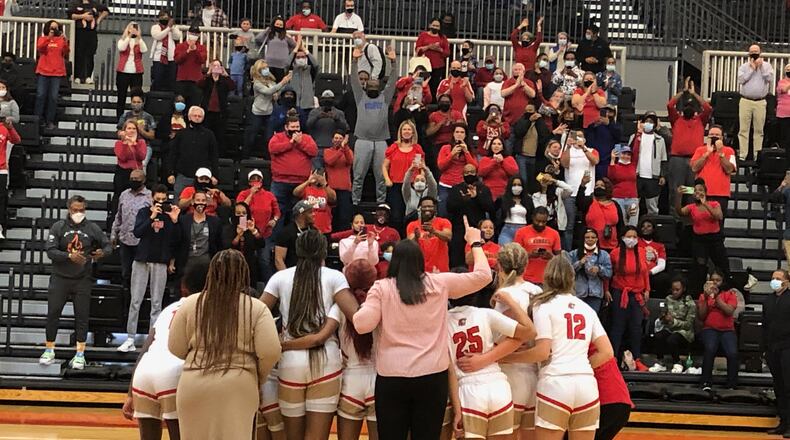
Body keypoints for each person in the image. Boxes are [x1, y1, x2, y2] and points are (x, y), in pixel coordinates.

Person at [353, 217, 493, 440]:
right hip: (432, 379)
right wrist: (475, 242)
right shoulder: (439, 282)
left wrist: (365, 301)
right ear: (420, 261)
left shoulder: (382, 288)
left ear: (394, 262)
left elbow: (362, 325)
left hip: (392, 379)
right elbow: (484, 276)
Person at [168, 249, 280, 440]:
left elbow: (175, 346)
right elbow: (271, 351)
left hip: (194, 383)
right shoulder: (256, 307)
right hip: (239, 383)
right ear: (244, 275)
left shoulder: (191, 303)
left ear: (211, 273)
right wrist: (258, 376)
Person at [503, 256, 614, 439]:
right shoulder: (587, 309)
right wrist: (580, 366)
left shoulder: (543, 306)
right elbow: (607, 352)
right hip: (586, 385)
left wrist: (506, 358)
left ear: (546, 277)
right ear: (572, 279)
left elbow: (542, 352)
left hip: (556, 384)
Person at [262, 229, 358, 440]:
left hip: (290, 362)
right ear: (323, 251)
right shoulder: (335, 277)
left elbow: (256, 314)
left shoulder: (279, 277)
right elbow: (357, 317)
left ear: (297, 250)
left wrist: (277, 343)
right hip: (326, 360)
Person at [122, 258, 209, 440]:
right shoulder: (207, 308)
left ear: (184, 287)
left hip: (144, 373)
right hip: (174, 373)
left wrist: (130, 393)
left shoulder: (169, 308)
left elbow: (145, 348)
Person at [446, 277, 535, 440]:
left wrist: (457, 409)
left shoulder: (441, 322)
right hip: (499, 388)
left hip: (469, 392)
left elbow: (450, 371)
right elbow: (529, 332)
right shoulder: (485, 314)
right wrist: (487, 358)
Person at [39, 195, 112, 370]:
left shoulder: (92, 228)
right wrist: (69, 256)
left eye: (81, 210)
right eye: (75, 210)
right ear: (69, 209)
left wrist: (102, 253)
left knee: (82, 316)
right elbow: (50, 250)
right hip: (60, 277)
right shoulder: (58, 227)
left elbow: (108, 245)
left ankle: (80, 354)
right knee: (53, 314)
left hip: (82, 279)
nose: (78, 213)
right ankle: (49, 349)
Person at [118, 185, 182, 353]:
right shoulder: (143, 212)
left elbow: (177, 240)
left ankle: (152, 340)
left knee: (156, 303)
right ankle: (130, 338)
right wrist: (151, 217)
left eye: (163, 200)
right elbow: (137, 232)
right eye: (157, 199)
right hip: (142, 260)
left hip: (160, 261)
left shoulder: (170, 215)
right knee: (135, 300)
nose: (160, 203)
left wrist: (175, 221)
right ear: (151, 198)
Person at [350, 45, 398, 207]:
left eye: (375, 86)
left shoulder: (384, 97)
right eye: (370, 86)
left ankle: (381, 204)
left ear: (379, 86)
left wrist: (394, 63)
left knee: (381, 176)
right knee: (358, 176)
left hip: (381, 141)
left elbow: (392, 82)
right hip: (362, 140)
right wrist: (354, 60)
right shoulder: (360, 97)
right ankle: (355, 204)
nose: (372, 88)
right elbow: (354, 80)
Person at [667, 78, 712, 214]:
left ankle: (690, 216)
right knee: (676, 189)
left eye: (691, 106)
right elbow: (670, 105)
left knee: (692, 189)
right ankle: (675, 216)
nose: (689, 108)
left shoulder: (700, 120)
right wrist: (683, 92)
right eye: (686, 106)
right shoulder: (677, 119)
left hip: (694, 160)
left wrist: (693, 94)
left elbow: (708, 108)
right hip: (677, 159)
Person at [608, 226, 650, 372]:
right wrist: (606, 290)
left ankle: (637, 359)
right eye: (629, 236)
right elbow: (609, 274)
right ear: (622, 238)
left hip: (637, 294)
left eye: (634, 237)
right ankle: (613, 359)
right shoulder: (615, 253)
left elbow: (645, 273)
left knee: (636, 328)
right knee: (617, 327)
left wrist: (647, 289)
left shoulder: (642, 251)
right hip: (620, 293)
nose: (632, 239)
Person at [269, 116, 318, 226]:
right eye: (293, 127)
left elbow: (314, 151)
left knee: (300, 213)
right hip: (280, 182)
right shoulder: (277, 137)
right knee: (277, 213)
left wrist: (300, 143)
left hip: (301, 183)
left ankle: (297, 236)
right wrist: (291, 143)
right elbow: (273, 148)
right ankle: (276, 237)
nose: (295, 129)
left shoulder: (307, 138)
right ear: (286, 127)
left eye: (297, 127)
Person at [675, 180, 730, 278]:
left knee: (722, 265)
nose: (698, 192)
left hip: (715, 239)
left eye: (700, 190)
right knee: (700, 267)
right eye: (695, 190)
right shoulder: (691, 207)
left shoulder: (714, 204)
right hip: (699, 240)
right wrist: (679, 196)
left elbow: (719, 216)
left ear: (705, 193)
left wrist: (705, 203)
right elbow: (680, 212)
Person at [697, 269, 739, 391]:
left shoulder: (730, 294)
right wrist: (706, 298)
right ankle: (706, 382)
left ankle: (731, 384)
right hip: (710, 329)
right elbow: (701, 316)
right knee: (710, 349)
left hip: (727, 330)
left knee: (732, 353)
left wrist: (717, 298)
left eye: (718, 280)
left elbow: (729, 311)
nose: (715, 283)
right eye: (712, 280)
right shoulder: (703, 295)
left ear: (723, 281)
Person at [236, 169, 280, 284]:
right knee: (246, 260)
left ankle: (269, 286)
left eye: (258, 179)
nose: (256, 181)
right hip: (246, 233)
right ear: (249, 182)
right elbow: (240, 208)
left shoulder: (269, 195)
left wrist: (274, 220)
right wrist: (251, 194)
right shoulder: (243, 194)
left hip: (264, 234)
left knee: (264, 261)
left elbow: (277, 212)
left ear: (262, 181)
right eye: (253, 179)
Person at [447, 164, 494, 268]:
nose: (469, 174)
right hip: (459, 228)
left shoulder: (484, 189)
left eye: (472, 172)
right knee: (458, 258)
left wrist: (477, 197)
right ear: (462, 174)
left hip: (477, 228)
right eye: (467, 172)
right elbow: (449, 207)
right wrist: (463, 200)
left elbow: (490, 207)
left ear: (476, 173)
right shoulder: (456, 189)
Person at [110, 169, 150, 287]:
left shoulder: (149, 197)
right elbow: (119, 216)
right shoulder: (124, 194)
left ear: (143, 180)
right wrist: (114, 233)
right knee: (126, 272)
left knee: (140, 273)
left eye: (136, 179)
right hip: (125, 239)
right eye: (132, 179)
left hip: (141, 241)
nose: (133, 181)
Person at [167, 106, 219, 196]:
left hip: (203, 178)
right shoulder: (181, 134)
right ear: (189, 117)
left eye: (199, 116)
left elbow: (214, 156)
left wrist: (215, 175)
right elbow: (173, 154)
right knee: (179, 199)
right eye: (195, 115)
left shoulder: (209, 135)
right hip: (183, 175)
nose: (197, 118)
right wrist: (170, 173)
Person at [649, 276, 697, 373]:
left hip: (684, 332)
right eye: (673, 289)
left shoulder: (690, 303)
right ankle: (660, 363)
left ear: (683, 289)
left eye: (677, 290)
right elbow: (663, 314)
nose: (674, 292)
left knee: (672, 340)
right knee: (658, 336)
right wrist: (663, 317)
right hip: (670, 328)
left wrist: (673, 321)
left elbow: (688, 325)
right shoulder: (668, 299)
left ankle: (677, 362)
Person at [561, 129, 599, 249]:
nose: (577, 138)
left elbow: (595, 161)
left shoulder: (591, 150)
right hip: (570, 193)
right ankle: (568, 251)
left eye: (580, 136)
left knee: (588, 224)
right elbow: (564, 164)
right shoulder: (567, 151)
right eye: (575, 136)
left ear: (584, 139)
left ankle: (587, 249)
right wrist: (568, 146)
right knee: (569, 225)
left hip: (587, 192)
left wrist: (583, 148)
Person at [245, 61, 292, 158]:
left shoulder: (271, 81)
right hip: (258, 112)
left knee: (269, 137)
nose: (266, 70)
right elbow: (268, 91)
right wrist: (282, 82)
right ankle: (245, 156)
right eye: (263, 68)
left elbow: (275, 91)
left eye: (267, 67)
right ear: (258, 71)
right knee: (251, 136)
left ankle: (268, 157)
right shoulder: (256, 83)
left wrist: (278, 92)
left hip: (269, 112)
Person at [383, 120, 425, 228]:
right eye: (404, 129)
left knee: (412, 215)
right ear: (400, 132)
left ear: (413, 132)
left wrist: (421, 177)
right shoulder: (393, 148)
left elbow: (421, 167)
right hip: (396, 185)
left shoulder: (417, 149)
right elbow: (384, 166)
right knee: (396, 215)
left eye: (409, 129)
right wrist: (387, 179)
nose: (406, 131)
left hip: (412, 186)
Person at [764, 270, 790, 436]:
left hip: (788, 346)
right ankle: (783, 421)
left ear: (786, 281)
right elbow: (765, 325)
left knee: (788, 386)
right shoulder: (768, 300)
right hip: (772, 348)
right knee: (779, 386)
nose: (774, 281)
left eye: (778, 279)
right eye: (773, 278)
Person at [173, 190, 223, 278]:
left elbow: (219, 244)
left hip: (207, 262)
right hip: (187, 262)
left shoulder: (215, 221)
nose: (200, 203)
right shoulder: (183, 220)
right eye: (198, 200)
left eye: (203, 200)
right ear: (192, 202)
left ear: (207, 203)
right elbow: (176, 241)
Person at [690, 125, 736, 218]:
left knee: (718, 222)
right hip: (702, 193)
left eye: (717, 135)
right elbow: (694, 168)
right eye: (711, 135)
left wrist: (721, 153)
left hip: (721, 194)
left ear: (722, 138)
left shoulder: (729, 151)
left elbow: (729, 170)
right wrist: (707, 153)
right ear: (707, 137)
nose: (714, 137)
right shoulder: (700, 150)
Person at [737, 44, 773, 160]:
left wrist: (761, 67)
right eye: (752, 52)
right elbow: (741, 80)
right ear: (749, 54)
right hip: (745, 101)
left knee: (759, 130)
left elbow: (769, 79)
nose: (754, 54)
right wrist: (752, 69)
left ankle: (757, 156)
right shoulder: (744, 66)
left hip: (760, 102)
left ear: (760, 53)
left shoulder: (767, 66)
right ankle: (743, 156)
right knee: (743, 130)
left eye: (756, 52)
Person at [629, 113, 668, 216]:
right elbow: (629, 152)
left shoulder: (660, 140)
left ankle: (652, 224)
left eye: (651, 122)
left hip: (653, 177)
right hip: (637, 176)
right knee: (633, 205)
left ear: (655, 124)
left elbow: (663, 159)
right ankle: (632, 224)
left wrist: (662, 175)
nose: (648, 124)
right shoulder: (634, 137)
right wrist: (637, 134)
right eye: (646, 121)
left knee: (652, 207)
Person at [567, 228, 612, 312]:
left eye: (593, 237)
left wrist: (599, 269)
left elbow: (609, 273)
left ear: (597, 239)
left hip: (595, 294)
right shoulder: (573, 254)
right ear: (583, 239)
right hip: (578, 294)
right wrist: (579, 263)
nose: (590, 239)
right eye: (587, 237)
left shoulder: (604, 255)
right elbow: (567, 272)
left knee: (593, 318)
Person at [514, 207, 562, 285]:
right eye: (538, 221)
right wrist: (530, 255)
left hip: (547, 278)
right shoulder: (521, 232)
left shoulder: (554, 233)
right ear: (533, 218)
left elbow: (560, 258)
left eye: (544, 222)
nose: (540, 224)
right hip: (525, 278)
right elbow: (515, 257)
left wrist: (551, 257)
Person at [35, 20, 69, 130]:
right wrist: (49, 38)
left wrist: (65, 40)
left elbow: (66, 52)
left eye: (56, 28)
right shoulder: (42, 38)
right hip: (43, 71)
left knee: (53, 97)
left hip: (56, 72)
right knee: (40, 95)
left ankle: (50, 120)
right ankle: (38, 119)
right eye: (51, 28)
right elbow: (40, 48)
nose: (53, 30)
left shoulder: (61, 40)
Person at [223, 202, 266, 287]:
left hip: (249, 265)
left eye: (244, 213)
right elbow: (227, 248)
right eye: (238, 213)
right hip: (232, 264)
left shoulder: (251, 228)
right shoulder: (227, 229)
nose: (241, 215)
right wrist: (238, 235)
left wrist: (254, 231)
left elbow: (262, 244)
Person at [198, 59, 235, 154]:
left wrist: (226, 75)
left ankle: (220, 154)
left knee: (220, 135)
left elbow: (232, 87)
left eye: (218, 66)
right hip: (207, 111)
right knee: (206, 134)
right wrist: (208, 73)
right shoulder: (207, 79)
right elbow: (199, 84)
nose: (216, 68)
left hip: (220, 113)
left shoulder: (224, 80)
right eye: (214, 66)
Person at [406, 196, 452, 273]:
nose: (427, 209)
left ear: (435, 208)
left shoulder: (444, 222)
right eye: (424, 207)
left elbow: (448, 237)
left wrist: (433, 231)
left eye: (430, 206)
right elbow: (409, 247)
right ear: (420, 208)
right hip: (420, 270)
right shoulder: (412, 225)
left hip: (440, 270)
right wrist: (416, 238)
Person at [68, 0, 109, 84]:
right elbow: (71, 15)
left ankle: (88, 76)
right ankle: (77, 76)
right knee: (79, 54)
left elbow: (106, 11)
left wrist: (98, 20)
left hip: (91, 32)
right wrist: (83, 16)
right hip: (79, 31)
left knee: (90, 55)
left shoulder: (95, 4)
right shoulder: (75, 3)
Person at [425, 94, 465, 177]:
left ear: (450, 103)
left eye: (447, 102)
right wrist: (440, 124)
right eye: (442, 101)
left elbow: (463, 127)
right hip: (438, 144)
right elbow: (428, 132)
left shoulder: (456, 114)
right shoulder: (434, 115)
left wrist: (454, 123)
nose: (444, 103)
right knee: (439, 166)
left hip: (454, 143)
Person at [112, 121, 147, 213]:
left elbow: (141, 156)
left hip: (136, 173)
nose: (131, 131)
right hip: (122, 172)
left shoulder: (141, 142)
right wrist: (125, 143)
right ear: (124, 130)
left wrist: (134, 144)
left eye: (134, 128)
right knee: (119, 194)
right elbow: (122, 157)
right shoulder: (118, 143)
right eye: (129, 128)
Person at [116, 89, 157, 169]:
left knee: (142, 165)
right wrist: (123, 134)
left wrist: (141, 130)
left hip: (144, 146)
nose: (136, 104)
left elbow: (152, 136)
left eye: (138, 102)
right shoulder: (125, 116)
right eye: (134, 102)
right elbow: (119, 132)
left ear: (143, 103)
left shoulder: (148, 117)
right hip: (127, 145)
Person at [307, 90, 349, 167]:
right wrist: (317, 117)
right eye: (325, 99)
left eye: (329, 99)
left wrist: (337, 119)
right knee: (318, 171)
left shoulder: (339, 113)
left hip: (333, 147)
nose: (327, 102)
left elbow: (345, 128)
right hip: (317, 147)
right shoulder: (314, 112)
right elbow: (308, 126)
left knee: (331, 172)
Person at [513, 102, 551, 187]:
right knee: (523, 179)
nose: (528, 112)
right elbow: (519, 132)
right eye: (526, 110)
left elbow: (544, 135)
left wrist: (540, 120)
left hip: (535, 157)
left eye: (530, 110)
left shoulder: (540, 122)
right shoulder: (521, 121)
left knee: (534, 179)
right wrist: (529, 121)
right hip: (521, 156)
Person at [115, 22, 148, 118]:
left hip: (136, 73)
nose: (133, 30)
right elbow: (122, 48)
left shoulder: (139, 41)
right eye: (131, 28)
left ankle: (137, 117)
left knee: (137, 97)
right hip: (123, 72)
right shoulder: (122, 40)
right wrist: (128, 36)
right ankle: (120, 118)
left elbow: (144, 50)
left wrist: (139, 37)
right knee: (121, 96)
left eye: (135, 28)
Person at [324, 131, 354, 231]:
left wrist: (345, 148)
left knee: (344, 217)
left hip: (345, 189)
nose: (338, 140)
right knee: (331, 215)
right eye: (336, 138)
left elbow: (350, 160)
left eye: (340, 138)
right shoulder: (327, 151)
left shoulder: (348, 151)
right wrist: (341, 149)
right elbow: (330, 161)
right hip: (331, 189)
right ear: (332, 140)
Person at [274, 200, 315, 270]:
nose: (314, 214)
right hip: (293, 272)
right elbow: (279, 260)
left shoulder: (315, 232)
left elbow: (320, 258)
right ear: (301, 214)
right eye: (310, 212)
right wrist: (288, 276)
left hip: (312, 273)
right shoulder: (286, 233)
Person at [293, 168, 336, 235]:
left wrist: (325, 184)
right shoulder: (307, 189)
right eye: (316, 176)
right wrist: (308, 181)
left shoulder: (327, 190)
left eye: (320, 176)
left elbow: (333, 198)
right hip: (308, 228)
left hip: (324, 229)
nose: (318, 179)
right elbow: (295, 193)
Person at [532, 171, 573, 239]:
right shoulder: (536, 195)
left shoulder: (558, 192)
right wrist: (544, 191)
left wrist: (554, 181)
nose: (546, 180)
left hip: (558, 225)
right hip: (544, 224)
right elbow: (542, 210)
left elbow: (570, 190)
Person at [415, 18, 450, 97]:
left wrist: (439, 49)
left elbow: (447, 53)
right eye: (434, 25)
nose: (435, 27)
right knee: (422, 85)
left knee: (435, 86)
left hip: (438, 66)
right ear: (430, 25)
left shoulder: (442, 37)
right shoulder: (423, 35)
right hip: (424, 66)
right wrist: (429, 47)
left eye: (437, 26)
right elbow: (417, 50)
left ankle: (434, 101)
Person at [174, 25, 207, 108]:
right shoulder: (180, 46)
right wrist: (187, 51)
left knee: (194, 105)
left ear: (199, 35)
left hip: (196, 81)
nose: (194, 35)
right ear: (188, 33)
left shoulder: (202, 48)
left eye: (196, 34)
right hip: (182, 80)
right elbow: (177, 60)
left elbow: (202, 60)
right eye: (192, 33)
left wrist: (195, 50)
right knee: (180, 105)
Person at [255, 17, 296, 82]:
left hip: (282, 65)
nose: (278, 26)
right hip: (269, 64)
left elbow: (294, 45)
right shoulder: (269, 35)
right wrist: (267, 30)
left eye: (281, 25)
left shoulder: (286, 36)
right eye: (277, 24)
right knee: (269, 83)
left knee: (281, 84)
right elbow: (258, 39)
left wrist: (290, 37)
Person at [149, 10, 181, 92]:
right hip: (158, 58)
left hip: (171, 58)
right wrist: (168, 28)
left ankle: (169, 98)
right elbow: (158, 36)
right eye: (162, 17)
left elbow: (177, 37)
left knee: (171, 81)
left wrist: (172, 27)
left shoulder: (174, 27)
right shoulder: (155, 27)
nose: (164, 19)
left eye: (166, 17)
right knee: (158, 80)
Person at [478, 137, 518, 201]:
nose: (496, 146)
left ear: (503, 147)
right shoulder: (485, 159)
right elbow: (481, 173)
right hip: (488, 193)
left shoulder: (509, 159)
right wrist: (494, 162)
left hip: (505, 193)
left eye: (499, 144)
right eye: (494, 144)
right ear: (490, 146)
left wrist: (502, 162)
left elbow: (514, 173)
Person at [496, 176, 532, 245]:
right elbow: (494, 212)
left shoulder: (528, 200)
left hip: (523, 229)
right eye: (514, 185)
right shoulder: (503, 199)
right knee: (505, 250)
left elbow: (531, 215)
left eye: (519, 185)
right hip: (507, 230)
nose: (517, 187)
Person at [0, 117, 20, 239]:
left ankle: (0, 227)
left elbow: (16, 140)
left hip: (1, 169)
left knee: (1, 200)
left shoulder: (4, 129)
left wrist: (11, 128)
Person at [608, 146, 638, 226]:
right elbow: (610, 176)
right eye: (624, 154)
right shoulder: (615, 166)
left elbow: (636, 151)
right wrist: (612, 159)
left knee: (633, 223)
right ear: (619, 154)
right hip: (618, 198)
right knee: (621, 223)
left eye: (628, 154)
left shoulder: (633, 165)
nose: (626, 156)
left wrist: (638, 139)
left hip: (632, 198)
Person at [501, 63, 537, 128]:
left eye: (519, 69)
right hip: (509, 118)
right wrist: (516, 85)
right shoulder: (507, 82)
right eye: (515, 70)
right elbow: (503, 94)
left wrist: (524, 85)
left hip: (525, 117)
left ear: (524, 72)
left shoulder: (529, 82)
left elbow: (533, 95)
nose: (517, 71)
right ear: (512, 72)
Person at [638, 218, 668, 293]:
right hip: (638, 272)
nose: (645, 228)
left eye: (648, 226)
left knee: (663, 278)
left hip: (652, 274)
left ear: (653, 229)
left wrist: (650, 272)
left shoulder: (660, 246)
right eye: (643, 226)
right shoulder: (636, 242)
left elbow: (662, 265)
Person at [777, 64, 790, 152]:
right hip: (784, 114)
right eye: (788, 69)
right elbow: (784, 90)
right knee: (785, 137)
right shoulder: (781, 82)